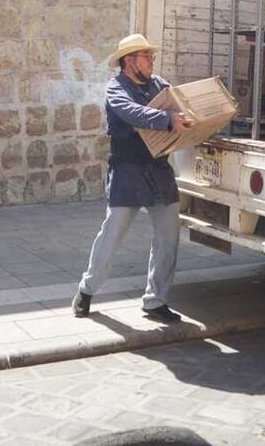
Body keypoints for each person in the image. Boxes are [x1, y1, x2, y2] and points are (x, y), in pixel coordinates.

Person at [73, 34, 193, 324]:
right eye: (146, 56)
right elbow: (132, 112)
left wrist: (188, 115)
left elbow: (179, 104)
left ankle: (155, 301)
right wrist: (166, 119)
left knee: (168, 239)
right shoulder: (116, 89)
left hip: (159, 170)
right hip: (127, 171)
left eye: (152, 56)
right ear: (129, 61)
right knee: (111, 236)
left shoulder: (160, 85)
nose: (152, 61)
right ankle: (87, 289)